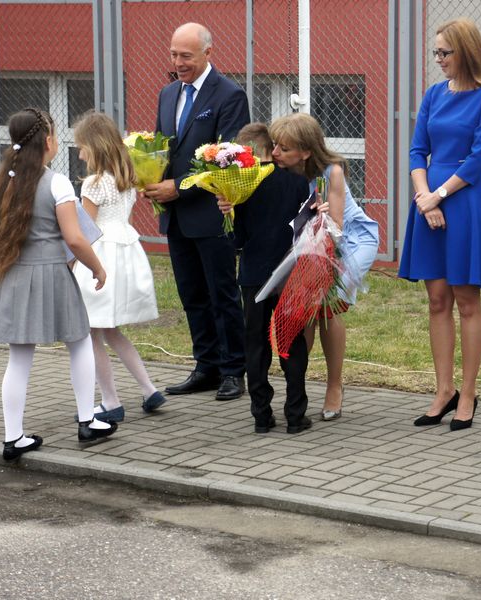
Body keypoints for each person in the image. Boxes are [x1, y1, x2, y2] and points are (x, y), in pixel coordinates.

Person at [0, 108, 117, 460]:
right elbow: (74, 238)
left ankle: (13, 437)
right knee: (79, 341)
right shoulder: (56, 183)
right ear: (48, 141)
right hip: (52, 274)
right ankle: (87, 421)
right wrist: (98, 268)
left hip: (11, 274)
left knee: (19, 358)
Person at [397, 18, 481, 432]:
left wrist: (439, 195)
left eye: (445, 52)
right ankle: (443, 390)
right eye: (436, 52)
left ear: (467, 51)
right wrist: (424, 197)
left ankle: (467, 393)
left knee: (466, 300)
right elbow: (417, 151)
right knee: (437, 300)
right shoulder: (433, 94)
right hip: (428, 200)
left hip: (464, 201)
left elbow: (478, 159)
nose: (439, 59)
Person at [142, 22, 250, 401]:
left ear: (208, 53)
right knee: (191, 294)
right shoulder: (168, 93)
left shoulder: (230, 95)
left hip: (211, 212)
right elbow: (161, 147)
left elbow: (228, 157)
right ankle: (206, 366)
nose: (178, 62)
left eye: (186, 56)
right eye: (173, 54)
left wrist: (179, 187)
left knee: (222, 293)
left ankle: (233, 370)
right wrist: (149, 177)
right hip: (175, 216)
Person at [268, 113, 379, 425]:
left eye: (284, 148)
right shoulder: (280, 169)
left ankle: (334, 386)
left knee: (326, 308)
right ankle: (297, 390)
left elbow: (337, 227)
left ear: (305, 152)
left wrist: (322, 214)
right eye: (274, 145)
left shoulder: (332, 171)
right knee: (303, 310)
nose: (275, 153)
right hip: (306, 239)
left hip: (348, 240)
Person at [71, 111, 167, 423]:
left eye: (82, 147)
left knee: (91, 333)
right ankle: (149, 389)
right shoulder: (126, 178)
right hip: (125, 251)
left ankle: (110, 400)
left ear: (95, 146)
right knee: (112, 331)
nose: (80, 154)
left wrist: (71, 262)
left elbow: (86, 230)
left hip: (100, 256)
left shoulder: (94, 183)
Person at [216, 123, 313, 434]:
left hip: (253, 274)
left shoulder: (242, 186)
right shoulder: (297, 182)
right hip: (289, 272)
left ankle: (261, 414)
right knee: (291, 340)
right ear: (271, 147)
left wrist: (229, 213)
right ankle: (295, 414)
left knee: (256, 341)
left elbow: (238, 238)